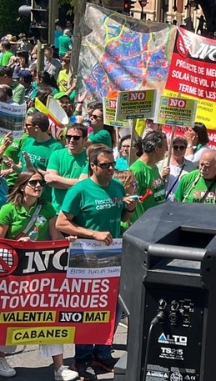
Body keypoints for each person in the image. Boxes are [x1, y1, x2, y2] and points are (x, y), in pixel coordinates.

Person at [56, 147, 135, 379]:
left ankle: (102, 354)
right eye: (105, 165)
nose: (110, 169)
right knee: (87, 308)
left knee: (110, 307)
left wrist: (128, 210)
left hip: (113, 257)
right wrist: (93, 234)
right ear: (93, 166)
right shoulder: (80, 190)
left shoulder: (117, 187)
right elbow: (62, 223)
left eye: (112, 165)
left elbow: (122, 218)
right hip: (86, 258)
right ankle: (81, 359)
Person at [0, 170, 79, 381]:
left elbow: (55, 236)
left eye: (41, 183)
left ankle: (59, 367)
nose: (38, 186)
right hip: (14, 275)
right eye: (34, 182)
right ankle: (1, 357)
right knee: (12, 315)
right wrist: (18, 246)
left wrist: (66, 241)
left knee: (49, 315)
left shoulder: (47, 208)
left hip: (42, 272)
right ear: (21, 186)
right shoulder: (8, 210)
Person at [45, 123, 89, 211]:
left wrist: (56, 178)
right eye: (68, 136)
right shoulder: (56, 154)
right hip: (58, 208)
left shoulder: (89, 157)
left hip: (81, 210)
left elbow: (85, 185)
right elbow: (50, 181)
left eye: (76, 137)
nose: (71, 140)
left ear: (85, 140)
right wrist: (77, 184)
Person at [128, 131, 169, 219]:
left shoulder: (154, 166)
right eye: (165, 146)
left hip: (158, 218)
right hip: (145, 222)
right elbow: (133, 201)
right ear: (157, 149)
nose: (167, 150)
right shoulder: (137, 170)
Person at [163, 135, 197, 201]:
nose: (178, 150)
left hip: (181, 203)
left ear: (185, 149)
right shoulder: (161, 164)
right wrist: (162, 177)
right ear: (170, 148)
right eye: (175, 147)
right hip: (163, 202)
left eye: (181, 147)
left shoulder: (191, 166)